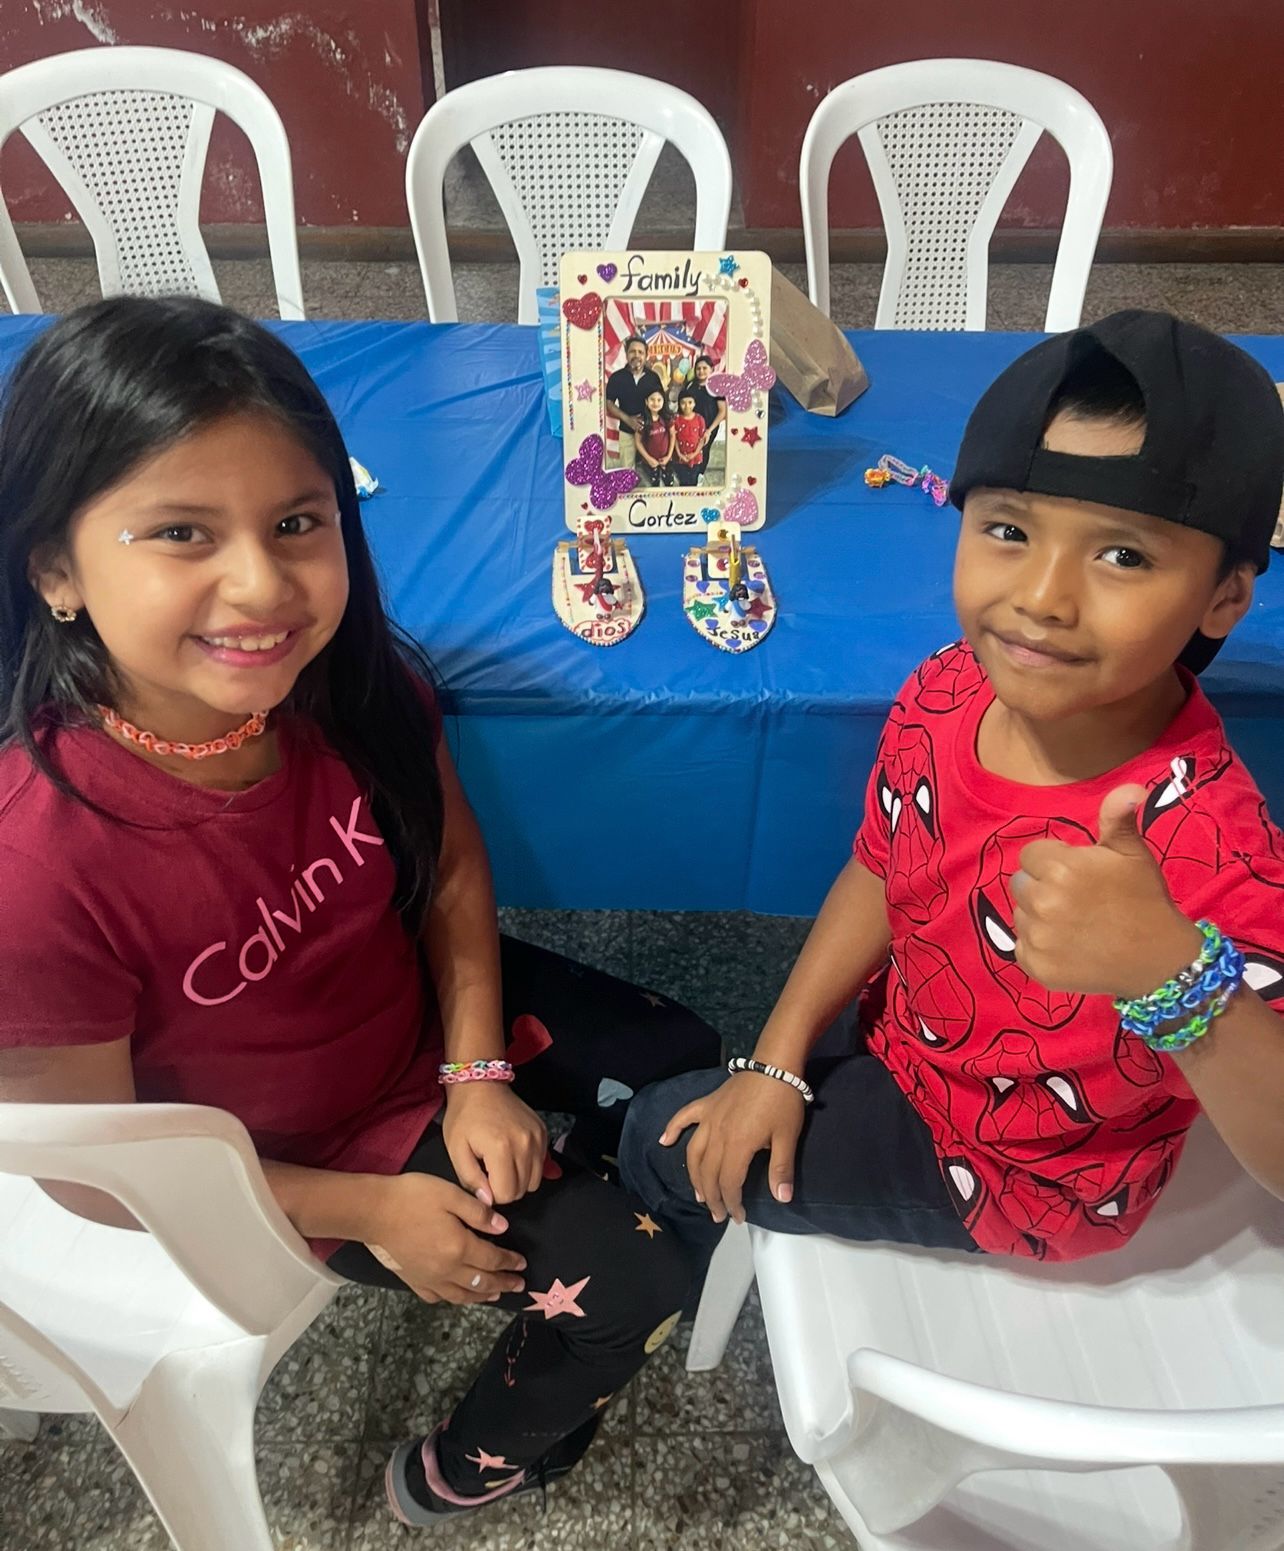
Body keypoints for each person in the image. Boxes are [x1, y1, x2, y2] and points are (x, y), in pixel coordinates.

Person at [0, 297, 719, 1526]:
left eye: (297, 523)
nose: (260, 586)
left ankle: (580, 1209)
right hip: (288, 1164)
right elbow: (100, 1180)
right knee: (634, 1286)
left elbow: (450, 867)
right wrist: (371, 1210)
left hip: (422, 1028)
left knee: (692, 1068)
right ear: (55, 569)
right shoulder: (36, 867)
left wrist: (478, 1069)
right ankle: (467, 1465)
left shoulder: (344, 682)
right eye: (181, 532)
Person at [622, 310, 1284, 1268]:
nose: (1043, 598)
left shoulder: (1211, 850)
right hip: (906, 1034)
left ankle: (607, 1303)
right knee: (702, 1090)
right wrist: (778, 1052)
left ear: (1225, 596)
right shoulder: (949, 685)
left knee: (654, 1139)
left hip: (1013, 1171)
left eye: (1124, 554)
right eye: (1009, 529)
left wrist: (1172, 975)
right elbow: (882, 864)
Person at [603, 336, 664, 470]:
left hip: (651, 433)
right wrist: (628, 419)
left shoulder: (653, 378)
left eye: (640, 352)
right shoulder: (617, 377)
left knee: (652, 467)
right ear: (626, 354)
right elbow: (609, 402)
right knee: (627, 470)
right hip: (626, 431)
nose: (636, 355)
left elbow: (661, 403)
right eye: (632, 351)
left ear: (646, 356)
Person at [689, 355, 727, 483]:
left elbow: (722, 411)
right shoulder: (691, 386)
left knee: (704, 449)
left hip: (709, 427)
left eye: (704, 368)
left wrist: (709, 430)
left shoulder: (716, 387)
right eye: (698, 368)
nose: (701, 371)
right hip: (692, 426)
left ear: (711, 369)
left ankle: (700, 474)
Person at [634, 388, 675, 486]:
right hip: (650, 462)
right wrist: (649, 459)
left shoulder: (667, 418)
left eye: (659, 400)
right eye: (652, 399)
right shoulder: (642, 421)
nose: (655, 403)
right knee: (654, 484)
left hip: (666, 459)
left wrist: (668, 456)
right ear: (646, 401)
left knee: (669, 483)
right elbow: (638, 442)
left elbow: (673, 435)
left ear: (664, 401)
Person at [671, 391, 707, 489]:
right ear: (679, 404)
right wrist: (679, 454)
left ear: (694, 403)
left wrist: (694, 454)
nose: (687, 406)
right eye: (683, 403)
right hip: (679, 459)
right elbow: (674, 439)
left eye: (690, 402)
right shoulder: (676, 419)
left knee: (693, 482)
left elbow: (702, 439)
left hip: (695, 458)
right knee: (683, 482)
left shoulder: (700, 419)